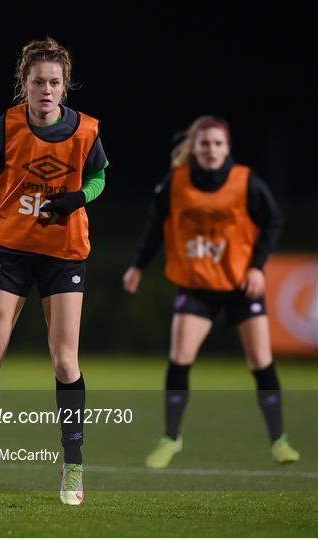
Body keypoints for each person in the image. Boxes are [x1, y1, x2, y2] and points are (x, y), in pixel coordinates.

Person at [0, 37, 108, 505]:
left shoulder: (86, 131)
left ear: (65, 86)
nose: (46, 89)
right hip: (12, 248)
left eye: (55, 82)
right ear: (24, 83)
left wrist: (80, 197)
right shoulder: (7, 126)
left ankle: (73, 465)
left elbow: (99, 176)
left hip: (64, 252)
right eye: (38, 81)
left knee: (64, 360)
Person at [123, 115, 299, 469]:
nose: (211, 149)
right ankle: (171, 438)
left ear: (227, 147)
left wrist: (256, 266)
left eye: (218, 143)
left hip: (239, 285)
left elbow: (274, 220)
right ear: (194, 147)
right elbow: (156, 228)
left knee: (260, 361)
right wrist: (138, 266)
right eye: (204, 143)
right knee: (179, 358)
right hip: (197, 286)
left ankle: (279, 440)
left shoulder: (245, 182)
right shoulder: (175, 183)